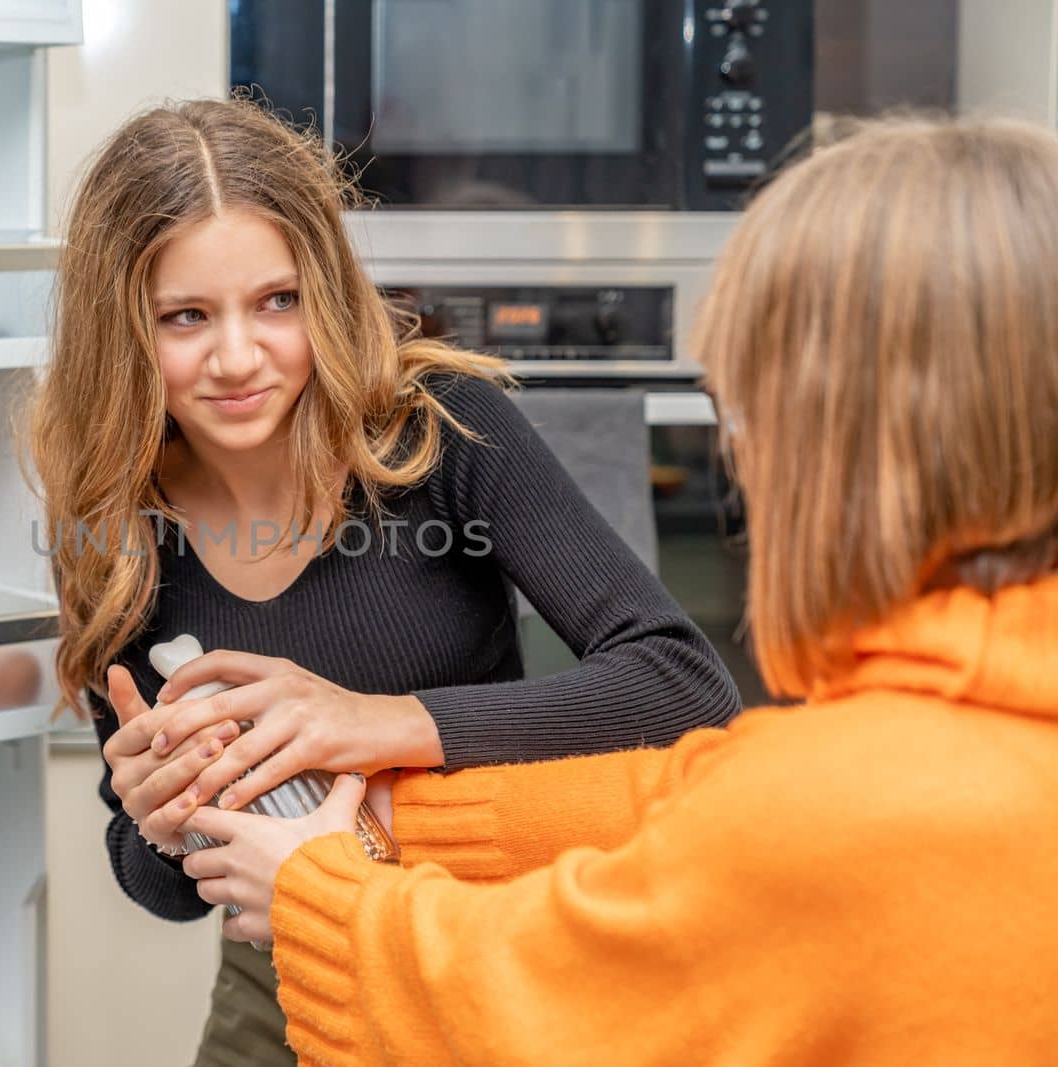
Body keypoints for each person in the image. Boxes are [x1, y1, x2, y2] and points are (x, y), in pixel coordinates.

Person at [177, 114, 1058, 1065]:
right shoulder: (957, 732)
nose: (740, 456)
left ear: (843, 452)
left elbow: (529, 1000)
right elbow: (689, 789)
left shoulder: (829, 816)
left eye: (745, 411)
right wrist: (384, 815)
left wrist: (321, 890)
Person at [25, 98, 740, 1065]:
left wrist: (386, 720)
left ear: (323, 287)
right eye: (185, 317)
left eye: (276, 301)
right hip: (282, 980)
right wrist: (160, 823)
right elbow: (156, 887)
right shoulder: (115, 516)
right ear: (124, 330)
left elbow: (682, 685)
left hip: (480, 949)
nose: (238, 357)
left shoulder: (440, 433)